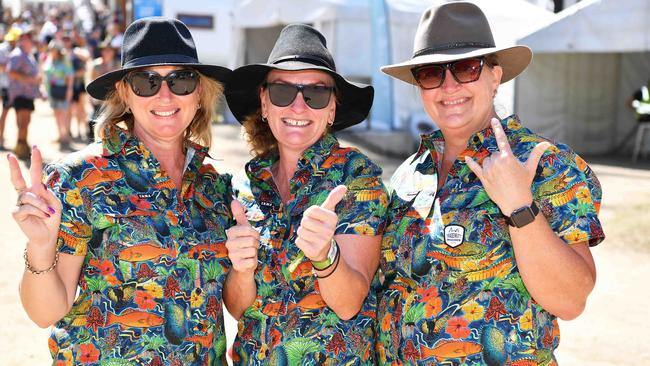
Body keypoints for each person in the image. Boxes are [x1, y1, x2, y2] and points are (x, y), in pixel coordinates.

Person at [376, 3, 604, 365]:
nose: (449, 86)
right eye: (431, 73)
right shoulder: (409, 174)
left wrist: (520, 208)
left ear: (495, 77)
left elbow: (570, 300)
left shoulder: (543, 163)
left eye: (466, 68)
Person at [8, 17, 234, 365]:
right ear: (126, 94)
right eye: (147, 81)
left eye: (181, 80)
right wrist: (40, 247)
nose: (165, 94)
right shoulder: (80, 179)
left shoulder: (215, 187)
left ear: (200, 93)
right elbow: (45, 313)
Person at [224, 24, 388, 364]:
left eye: (315, 94)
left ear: (331, 111)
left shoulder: (357, 179)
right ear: (265, 104)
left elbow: (348, 304)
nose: (298, 106)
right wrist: (241, 270)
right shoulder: (244, 188)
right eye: (283, 92)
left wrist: (325, 256)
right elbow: (238, 310)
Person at [7, 29, 40, 160]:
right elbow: (11, 72)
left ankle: (22, 146)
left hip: (27, 94)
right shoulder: (17, 54)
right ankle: (21, 148)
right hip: (20, 94)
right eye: (24, 38)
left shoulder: (28, 54)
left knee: (25, 121)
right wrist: (30, 79)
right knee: (23, 122)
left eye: (29, 38)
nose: (27, 41)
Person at [42, 40, 73, 149]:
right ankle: (60, 134)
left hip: (62, 90)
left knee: (63, 113)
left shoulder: (65, 60)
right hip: (52, 90)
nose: (52, 51)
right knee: (56, 113)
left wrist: (69, 90)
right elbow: (45, 74)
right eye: (51, 49)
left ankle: (65, 135)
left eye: (54, 49)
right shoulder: (49, 59)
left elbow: (70, 76)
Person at [88, 39, 119, 141]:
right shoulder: (96, 65)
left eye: (109, 50)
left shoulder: (118, 65)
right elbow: (91, 81)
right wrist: (91, 98)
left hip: (114, 99)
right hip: (98, 98)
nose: (107, 53)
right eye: (105, 50)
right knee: (95, 121)